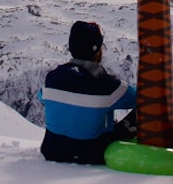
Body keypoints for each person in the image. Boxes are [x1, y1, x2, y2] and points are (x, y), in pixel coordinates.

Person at [38, 21, 138, 164]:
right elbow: (141, 98)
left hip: (52, 150)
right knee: (144, 111)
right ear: (97, 51)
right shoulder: (107, 86)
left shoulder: (52, 78)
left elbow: (42, 98)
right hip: (92, 153)